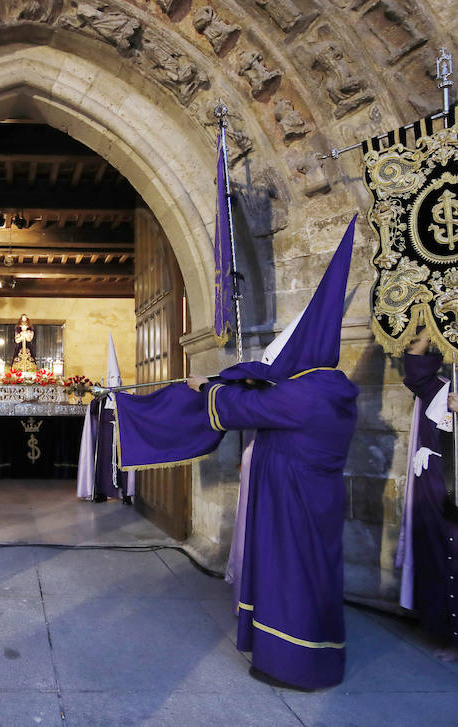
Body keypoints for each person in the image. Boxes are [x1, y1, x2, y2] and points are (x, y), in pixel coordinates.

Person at [187, 217, 359, 690]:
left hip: (292, 500)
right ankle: (314, 657)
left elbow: (245, 407)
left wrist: (206, 386)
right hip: (311, 496)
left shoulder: (306, 393)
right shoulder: (334, 387)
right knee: (312, 576)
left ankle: (292, 664)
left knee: (290, 578)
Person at [398, 329, 458, 661]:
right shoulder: (437, 387)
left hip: (455, 487)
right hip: (432, 486)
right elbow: (414, 360)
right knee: (437, 556)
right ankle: (445, 635)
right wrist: (429, 319)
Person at [77, 334, 134, 504]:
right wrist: (96, 399)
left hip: (121, 437)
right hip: (104, 436)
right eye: (111, 380)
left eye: (116, 380)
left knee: (121, 464)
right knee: (102, 463)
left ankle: (125, 493)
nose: (114, 383)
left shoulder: (125, 396)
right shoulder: (103, 399)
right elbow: (93, 412)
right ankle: (101, 491)